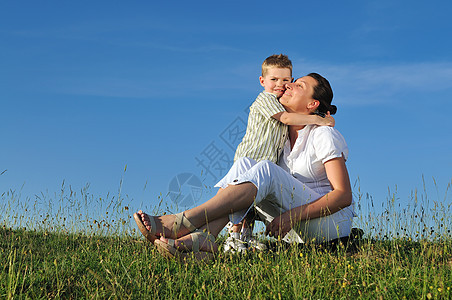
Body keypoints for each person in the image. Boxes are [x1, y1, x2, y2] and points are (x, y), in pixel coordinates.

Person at [134, 73, 355, 261]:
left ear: (312, 104)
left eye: (298, 85)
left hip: (330, 226)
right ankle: (206, 238)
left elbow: (343, 196)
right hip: (294, 230)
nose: (288, 85)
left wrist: (292, 216)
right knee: (246, 162)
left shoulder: (323, 134)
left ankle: (183, 221)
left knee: (265, 168)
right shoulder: (280, 138)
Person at [226, 54, 335, 253]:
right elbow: (286, 118)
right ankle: (233, 236)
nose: (280, 85)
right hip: (251, 158)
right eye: (274, 79)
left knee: (252, 207)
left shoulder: (281, 102)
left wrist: (319, 115)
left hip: (266, 163)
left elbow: (298, 115)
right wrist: (319, 120)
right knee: (240, 203)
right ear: (262, 81)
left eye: (286, 80)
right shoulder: (266, 99)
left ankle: (246, 237)